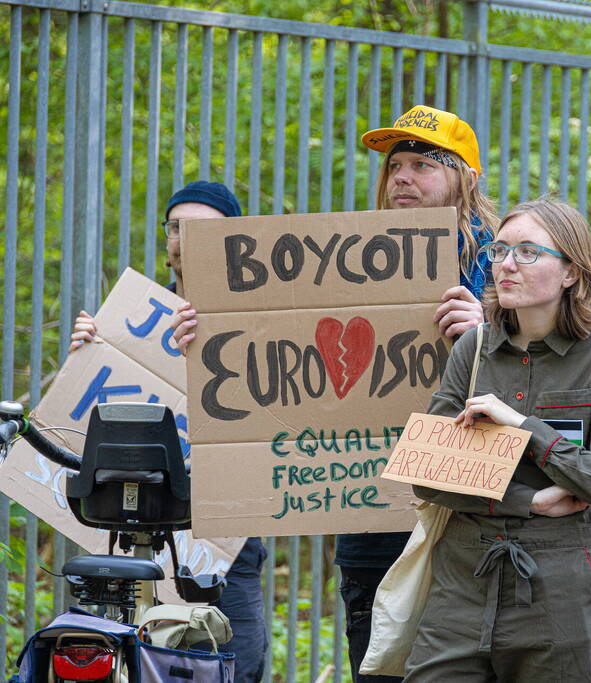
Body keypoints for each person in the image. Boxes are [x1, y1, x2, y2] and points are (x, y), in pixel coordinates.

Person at [171, 105, 499, 683]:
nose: (402, 175)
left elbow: (548, 373)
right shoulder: (347, 257)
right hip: (375, 512)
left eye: (423, 164)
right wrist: (206, 335)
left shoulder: (506, 263)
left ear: (465, 179)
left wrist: (488, 330)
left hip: (467, 517)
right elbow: (271, 343)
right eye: (396, 164)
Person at [402, 197, 591, 681]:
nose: (506, 265)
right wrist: (527, 501)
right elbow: (424, 476)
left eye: (528, 252)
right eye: (500, 250)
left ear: (571, 272)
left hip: (557, 592)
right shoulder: (472, 349)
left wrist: (521, 425)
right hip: (461, 585)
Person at [69, 181, 269, 683]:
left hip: (226, 542)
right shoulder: (130, 323)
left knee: (232, 670)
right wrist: (87, 356)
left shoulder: (268, 320)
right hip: (130, 531)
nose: (184, 237)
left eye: (200, 227)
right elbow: (85, 423)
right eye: (175, 226)